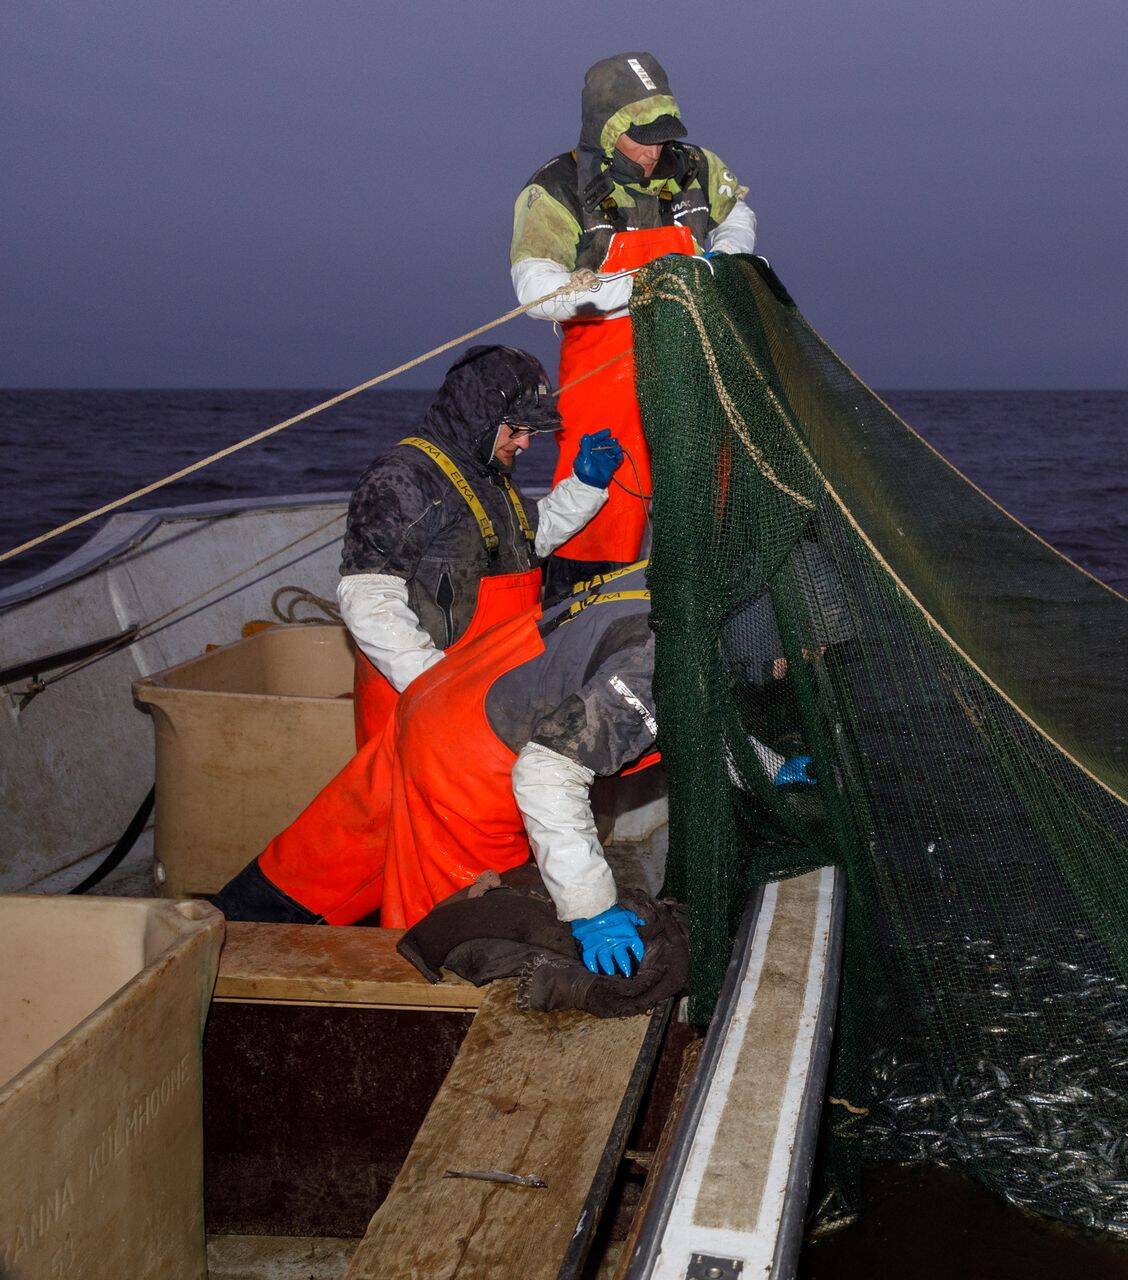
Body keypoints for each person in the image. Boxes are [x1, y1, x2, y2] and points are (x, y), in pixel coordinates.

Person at [213, 563, 662, 976]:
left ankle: (202, 936)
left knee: (320, 862)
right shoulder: (661, 657)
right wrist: (592, 909)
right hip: (475, 765)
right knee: (450, 940)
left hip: (444, 693)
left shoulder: (669, 574)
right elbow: (547, 775)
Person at [509, 51, 757, 599]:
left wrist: (729, 257)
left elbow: (736, 211)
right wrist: (644, 286)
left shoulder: (694, 166)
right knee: (601, 517)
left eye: (659, 135)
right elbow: (534, 291)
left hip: (692, 374)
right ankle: (584, 626)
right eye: (638, 137)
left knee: (705, 504)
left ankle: (703, 622)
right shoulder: (554, 187)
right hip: (604, 383)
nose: (651, 151)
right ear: (606, 129)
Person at [338, 344, 624, 743]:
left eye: (531, 432)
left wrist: (586, 486)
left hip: (486, 692)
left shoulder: (486, 475)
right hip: (419, 709)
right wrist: (438, 688)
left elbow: (526, 542)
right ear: (479, 415)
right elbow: (365, 597)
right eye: (517, 429)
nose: (525, 443)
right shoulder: (400, 479)